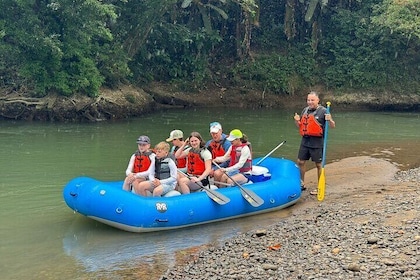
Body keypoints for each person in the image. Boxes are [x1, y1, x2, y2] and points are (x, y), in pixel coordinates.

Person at [293, 91, 336, 195]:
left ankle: (320, 186)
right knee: (300, 161)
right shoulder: (305, 110)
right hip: (305, 140)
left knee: (318, 164)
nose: (310, 102)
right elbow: (301, 126)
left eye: (312, 100)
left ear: (318, 100)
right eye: (308, 100)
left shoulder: (324, 111)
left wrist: (329, 120)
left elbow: (333, 126)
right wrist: (296, 121)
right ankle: (301, 183)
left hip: (317, 142)